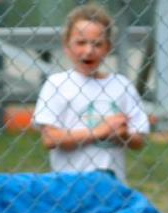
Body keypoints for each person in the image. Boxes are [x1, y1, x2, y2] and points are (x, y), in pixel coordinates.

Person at [33, 3, 149, 183]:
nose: (88, 51)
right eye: (81, 42)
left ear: (108, 48)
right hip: (68, 185)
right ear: (67, 46)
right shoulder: (57, 84)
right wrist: (100, 131)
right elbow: (50, 138)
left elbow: (138, 140)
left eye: (97, 44)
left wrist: (122, 134)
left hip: (112, 185)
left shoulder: (122, 85)